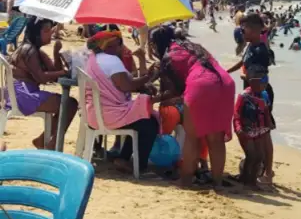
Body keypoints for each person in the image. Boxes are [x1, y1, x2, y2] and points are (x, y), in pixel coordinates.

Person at [151, 26, 235, 187]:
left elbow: (174, 91)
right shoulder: (195, 48)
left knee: (192, 136)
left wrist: (153, 98)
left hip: (201, 84)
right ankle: (217, 183)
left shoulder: (170, 56)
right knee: (216, 138)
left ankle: (186, 180)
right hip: (225, 82)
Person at [84, 30, 159, 175]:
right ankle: (137, 164)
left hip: (94, 112)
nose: (122, 49)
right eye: (120, 45)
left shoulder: (93, 58)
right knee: (149, 122)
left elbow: (124, 82)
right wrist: (148, 77)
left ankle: (123, 157)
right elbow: (127, 86)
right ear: (112, 46)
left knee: (141, 117)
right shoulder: (112, 61)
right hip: (108, 115)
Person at [9, 17, 77, 149]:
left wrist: (57, 53)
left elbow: (53, 74)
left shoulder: (37, 52)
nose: (50, 33)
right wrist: (63, 73)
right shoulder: (28, 50)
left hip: (24, 92)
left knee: (68, 103)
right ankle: (52, 143)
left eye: (50, 30)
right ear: (35, 33)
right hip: (22, 94)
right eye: (46, 31)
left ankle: (44, 141)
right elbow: (41, 77)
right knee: (69, 104)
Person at [234, 64, 274, 187]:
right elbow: (236, 114)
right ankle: (245, 179)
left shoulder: (264, 95)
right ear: (252, 82)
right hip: (245, 130)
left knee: (259, 156)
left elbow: (266, 112)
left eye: (266, 81)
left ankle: (252, 181)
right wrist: (239, 128)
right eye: (262, 81)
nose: (265, 84)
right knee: (251, 155)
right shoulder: (244, 96)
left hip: (258, 130)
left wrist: (269, 124)